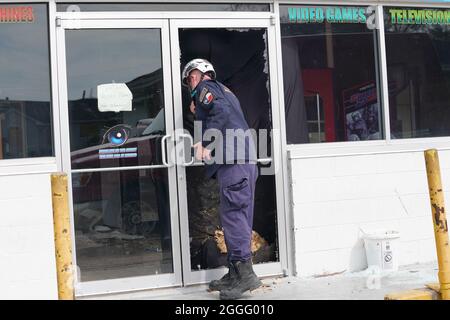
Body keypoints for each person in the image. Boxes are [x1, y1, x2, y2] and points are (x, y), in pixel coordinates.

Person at [182, 58, 262, 300]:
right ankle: (235, 273)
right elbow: (223, 111)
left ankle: (245, 275)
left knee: (234, 217)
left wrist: (205, 141)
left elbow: (221, 112)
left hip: (235, 162)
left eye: (192, 76)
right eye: (188, 80)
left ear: (203, 73)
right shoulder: (225, 91)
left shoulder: (208, 88)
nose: (191, 82)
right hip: (243, 160)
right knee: (237, 217)